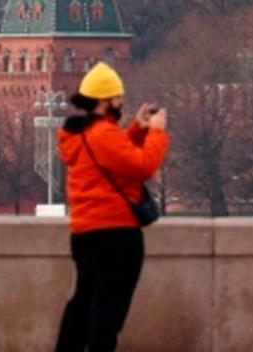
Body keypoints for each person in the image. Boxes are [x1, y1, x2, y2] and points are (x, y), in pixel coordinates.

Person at [54, 62, 168, 352]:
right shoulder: (103, 133)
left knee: (84, 300)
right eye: (118, 97)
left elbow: (111, 160)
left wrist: (136, 130)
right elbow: (143, 166)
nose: (121, 102)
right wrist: (156, 132)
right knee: (109, 308)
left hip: (84, 232)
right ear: (105, 101)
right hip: (116, 233)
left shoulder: (78, 136)